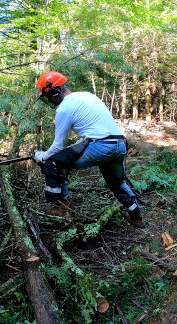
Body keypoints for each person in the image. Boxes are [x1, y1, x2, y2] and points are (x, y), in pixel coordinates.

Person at [33, 71, 143, 226]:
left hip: (100, 147)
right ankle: (137, 216)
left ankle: (59, 209)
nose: (50, 100)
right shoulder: (87, 96)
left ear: (55, 92)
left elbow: (58, 145)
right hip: (118, 145)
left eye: (49, 96)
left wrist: (41, 156)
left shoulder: (64, 108)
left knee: (53, 163)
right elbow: (93, 130)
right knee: (117, 183)